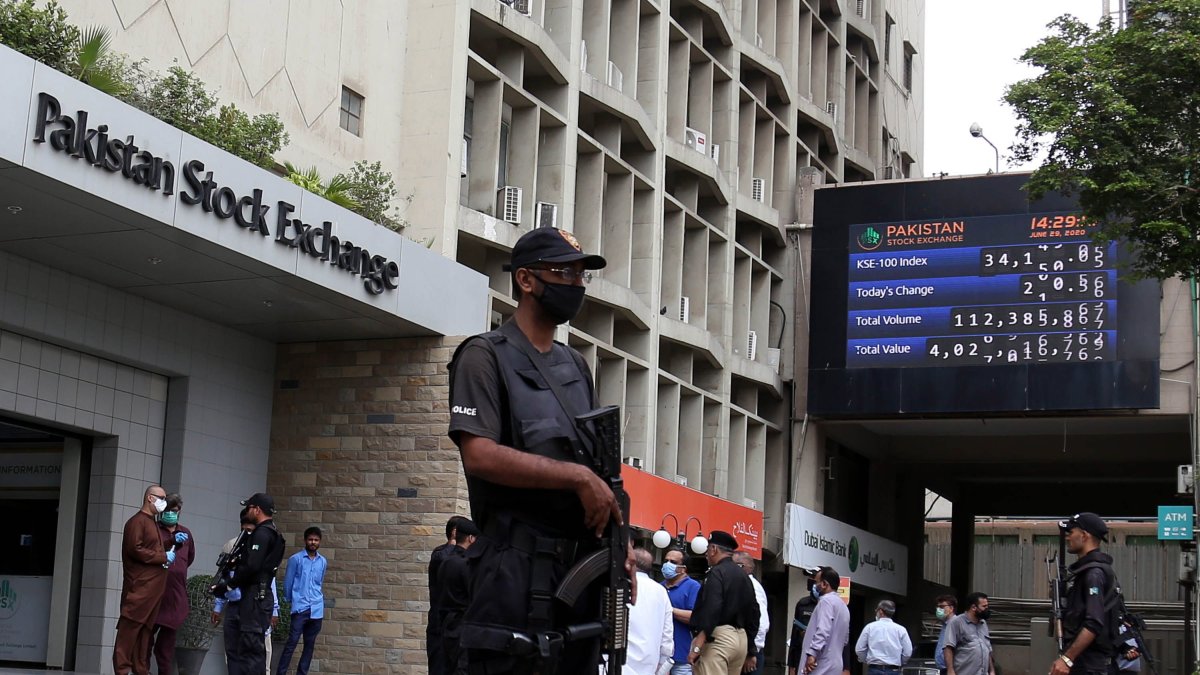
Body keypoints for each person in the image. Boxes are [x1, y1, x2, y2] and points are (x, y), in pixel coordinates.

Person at [447, 226, 636, 674]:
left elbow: (599, 466)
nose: (576, 285)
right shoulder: (484, 355)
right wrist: (576, 478)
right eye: (565, 273)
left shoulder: (576, 365)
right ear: (526, 280)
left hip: (580, 573)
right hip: (513, 571)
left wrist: (621, 542)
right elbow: (479, 454)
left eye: (581, 276)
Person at [213, 492, 285, 675]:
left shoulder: (262, 533)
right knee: (247, 652)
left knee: (251, 651)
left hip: (254, 599)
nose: (247, 511)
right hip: (257, 597)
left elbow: (252, 566)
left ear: (257, 510)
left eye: (249, 507)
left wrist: (229, 585)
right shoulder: (273, 533)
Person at [113, 484, 173, 675]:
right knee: (129, 632)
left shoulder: (152, 522)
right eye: (161, 498)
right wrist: (163, 557)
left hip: (152, 591)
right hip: (139, 590)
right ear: (150, 498)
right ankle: (122, 670)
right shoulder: (137, 522)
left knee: (144, 633)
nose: (164, 502)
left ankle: (141, 669)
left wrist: (171, 542)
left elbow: (152, 547)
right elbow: (136, 549)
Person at [1051, 512, 1119, 675]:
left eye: (1071, 532)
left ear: (1084, 535)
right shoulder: (1088, 572)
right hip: (1086, 664)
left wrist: (1067, 659)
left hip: (1089, 666)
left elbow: (1094, 623)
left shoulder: (1093, 574)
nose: (1067, 537)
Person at [686, 530, 760, 675]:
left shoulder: (716, 572)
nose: (706, 554)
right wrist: (750, 648)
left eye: (708, 549)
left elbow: (711, 610)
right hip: (741, 639)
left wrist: (697, 646)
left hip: (718, 638)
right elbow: (754, 614)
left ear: (714, 549)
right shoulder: (744, 575)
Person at [147, 493, 195, 675]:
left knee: (166, 647)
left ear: (179, 511)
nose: (170, 514)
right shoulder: (154, 530)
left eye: (174, 510)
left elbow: (189, 558)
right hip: (154, 596)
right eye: (167, 510)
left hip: (175, 597)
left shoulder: (185, 533)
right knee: (144, 642)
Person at [279, 526, 329, 675]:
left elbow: (319, 582)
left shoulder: (323, 561)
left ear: (319, 541)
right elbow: (288, 583)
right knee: (292, 642)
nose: (313, 542)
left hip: (316, 608)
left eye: (316, 540)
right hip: (300, 608)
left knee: (309, 645)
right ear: (305, 540)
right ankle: (281, 672)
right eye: (310, 539)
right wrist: (291, 601)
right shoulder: (296, 559)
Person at [437, 518, 481, 675]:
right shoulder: (466, 564)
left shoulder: (445, 561)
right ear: (471, 538)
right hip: (462, 625)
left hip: (446, 624)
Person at [429, 515, 470, 675]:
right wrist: (454, 542)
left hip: (453, 625)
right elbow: (448, 560)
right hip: (439, 624)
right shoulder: (441, 554)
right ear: (454, 532)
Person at [624, 548, 673, 675]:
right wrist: (662, 665)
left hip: (617, 663)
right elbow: (667, 634)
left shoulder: (621, 585)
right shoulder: (661, 591)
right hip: (648, 666)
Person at [798, 567, 850, 675]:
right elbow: (845, 639)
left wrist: (812, 653)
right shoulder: (843, 606)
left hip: (820, 664)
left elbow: (823, 630)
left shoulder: (826, 602)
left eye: (817, 582)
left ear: (824, 584)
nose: (815, 585)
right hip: (835, 664)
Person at [663, 548, 702, 675]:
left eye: (673, 562)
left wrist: (668, 609)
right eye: (666, 561)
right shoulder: (659, 587)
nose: (667, 564)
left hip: (682, 656)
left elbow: (694, 617)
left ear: (683, 568)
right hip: (660, 655)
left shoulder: (693, 587)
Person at [732, 551, 770, 675]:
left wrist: (752, 652)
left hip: (750, 652)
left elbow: (761, 622)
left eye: (735, 565)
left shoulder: (752, 587)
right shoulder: (740, 584)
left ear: (746, 567)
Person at [854, 600, 912, 675]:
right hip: (893, 670)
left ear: (880, 611)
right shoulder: (901, 629)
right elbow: (908, 652)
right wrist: (900, 661)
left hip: (874, 669)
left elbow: (859, 649)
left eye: (876, 610)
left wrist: (867, 660)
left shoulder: (869, 627)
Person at [943, 592, 994, 675]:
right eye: (984, 606)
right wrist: (950, 671)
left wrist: (992, 671)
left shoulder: (983, 623)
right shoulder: (956, 622)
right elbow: (948, 648)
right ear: (973, 607)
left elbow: (987, 649)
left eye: (987, 606)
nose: (987, 609)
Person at [786, 568, 821, 675]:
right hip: (801, 656)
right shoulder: (803, 604)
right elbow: (794, 636)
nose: (811, 581)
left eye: (814, 578)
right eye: (810, 578)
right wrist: (791, 665)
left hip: (821, 658)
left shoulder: (831, 605)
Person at [934, 595, 957, 675]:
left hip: (953, 669)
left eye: (942, 607)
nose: (938, 609)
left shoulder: (957, 624)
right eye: (937, 607)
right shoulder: (945, 625)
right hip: (943, 669)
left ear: (951, 608)